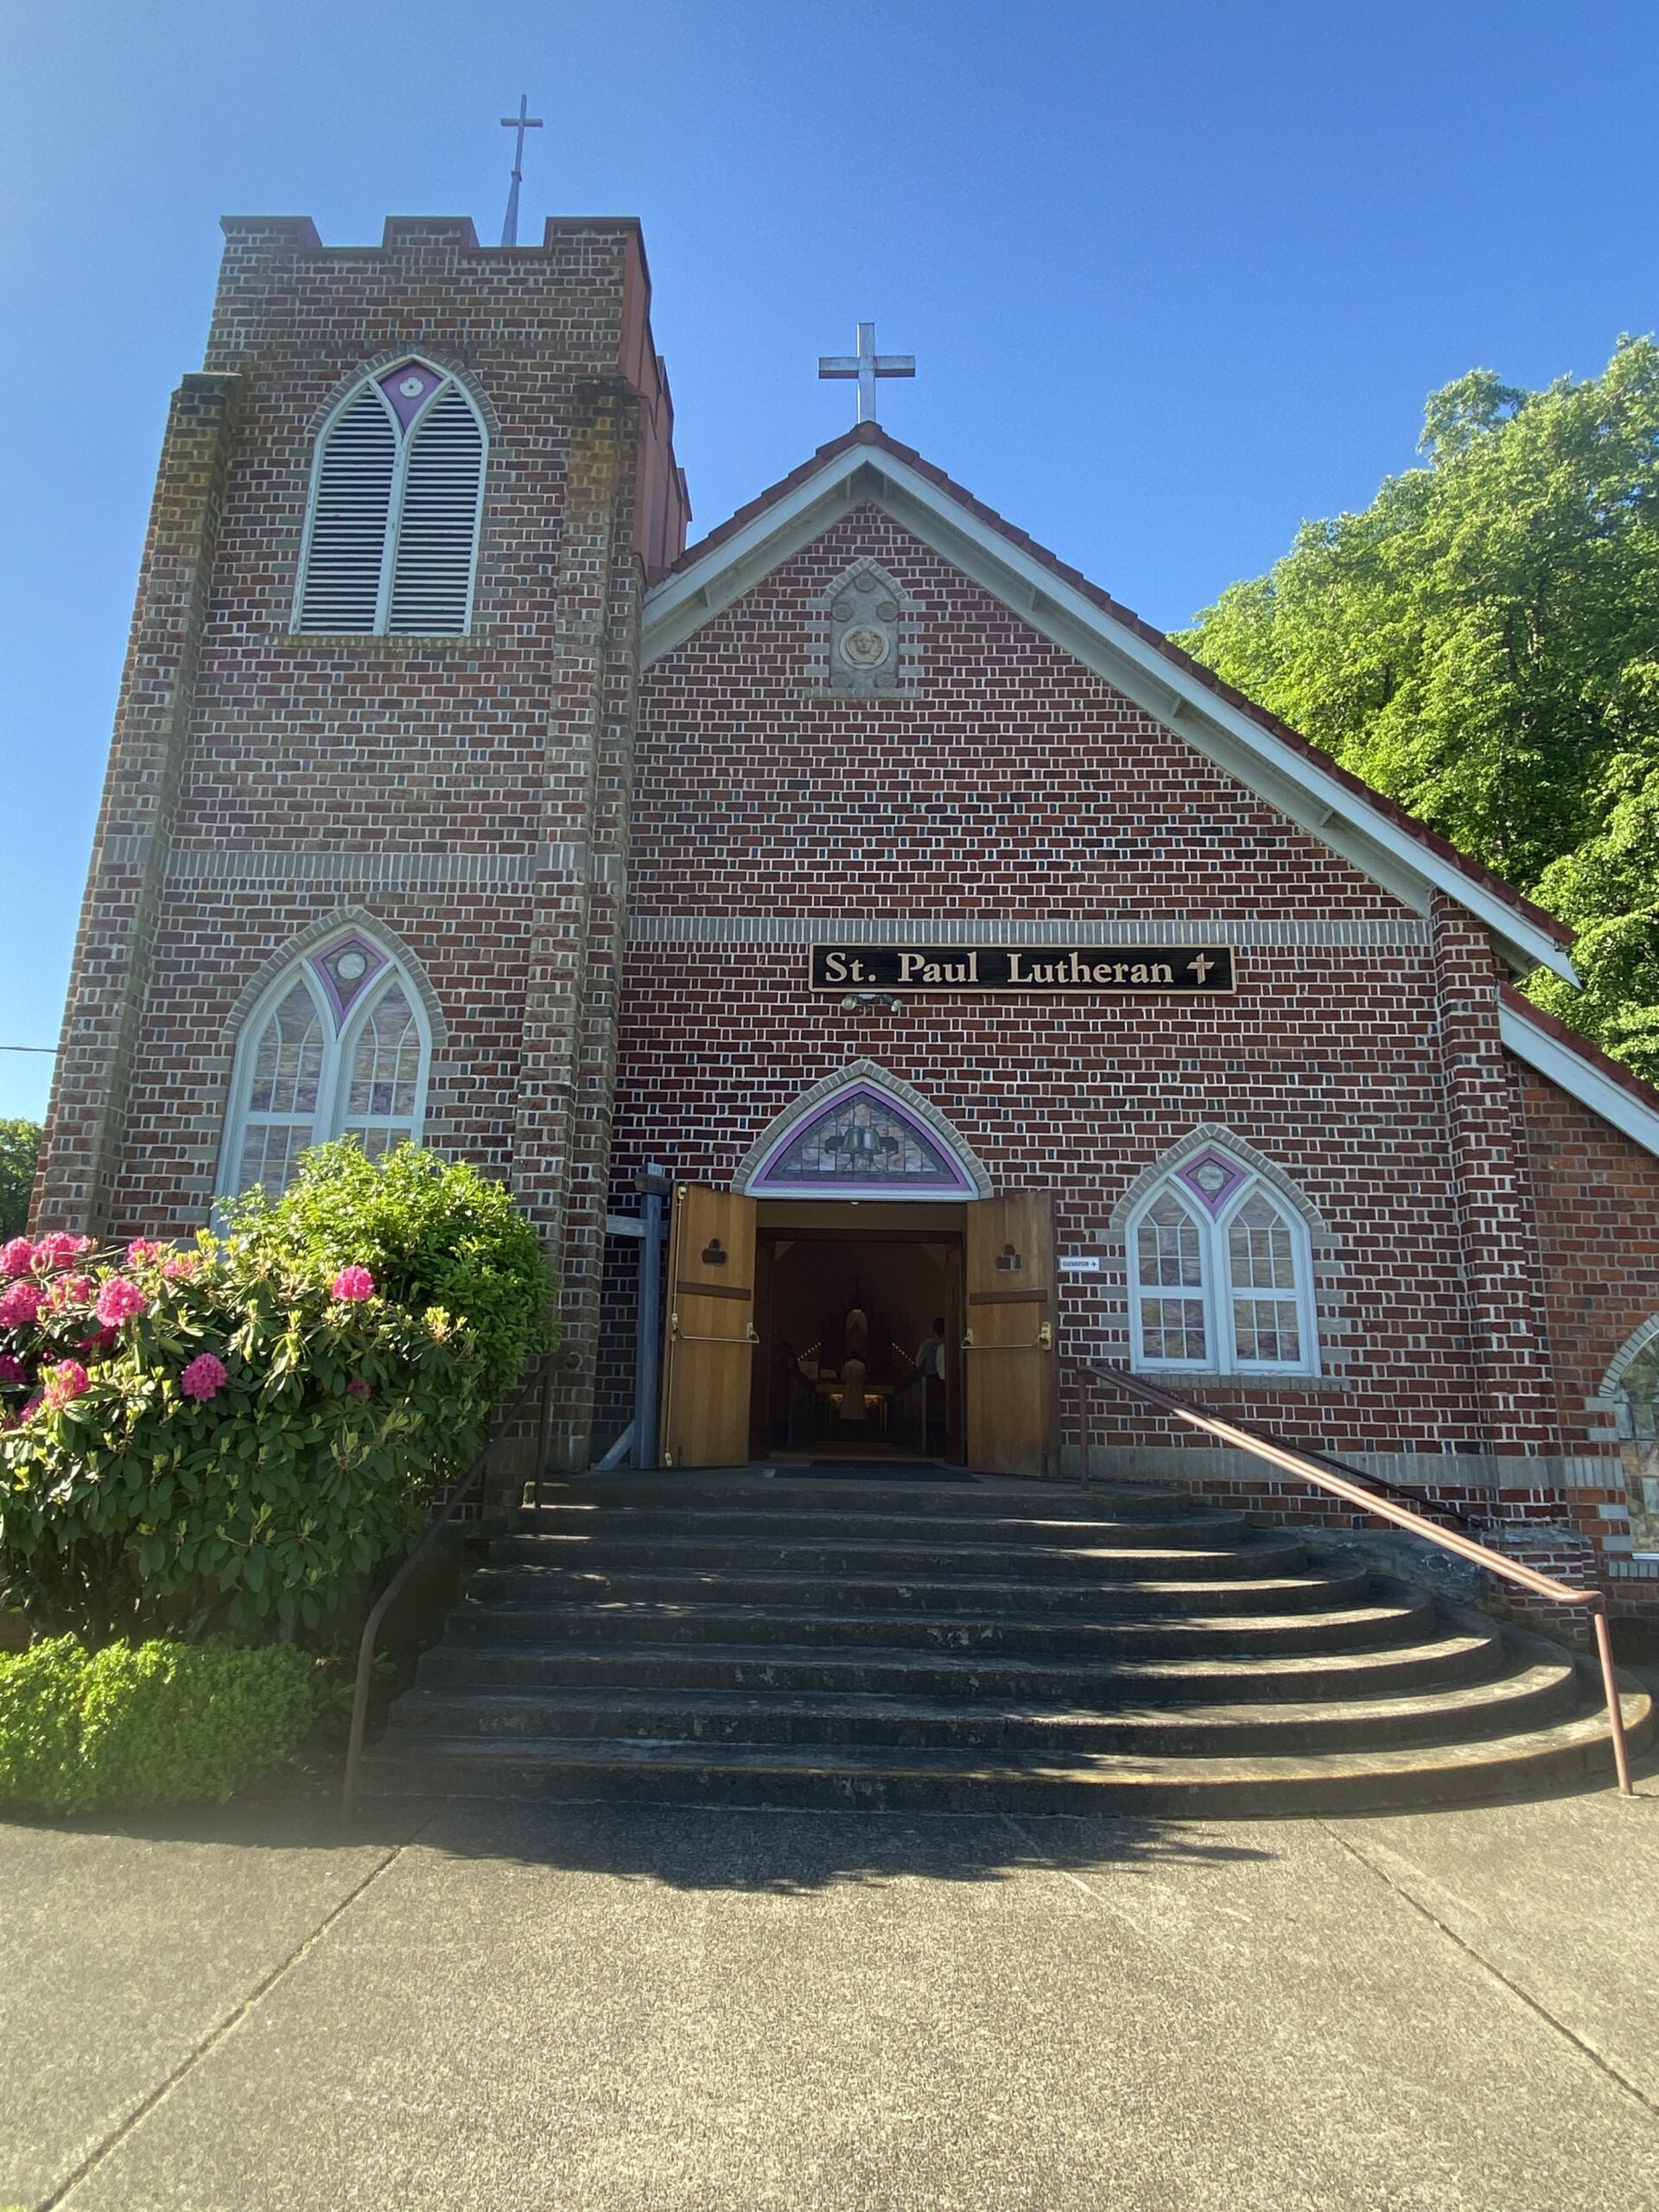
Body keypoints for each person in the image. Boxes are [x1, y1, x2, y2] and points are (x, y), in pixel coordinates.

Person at [915, 1317, 947, 1453]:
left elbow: (918, 1362)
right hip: (947, 1382)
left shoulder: (927, 1344)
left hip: (931, 1380)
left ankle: (933, 1444)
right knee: (944, 1411)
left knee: (932, 1413)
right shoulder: (949, 1343)